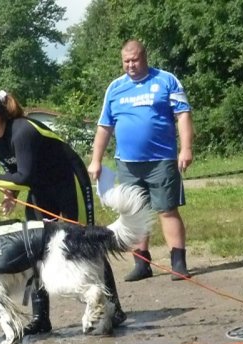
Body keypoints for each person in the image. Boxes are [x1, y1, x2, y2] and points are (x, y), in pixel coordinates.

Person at [0, 90, 126, 335]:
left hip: (69, 183)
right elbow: (15, 170)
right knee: (33, 248)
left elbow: (23, 175)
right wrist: (12, 196)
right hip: (41, 188)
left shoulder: (23, 131)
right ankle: (41, 318)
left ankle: (114, 307)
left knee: (86, 244)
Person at [88, 40, 194, 282]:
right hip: (127, 163)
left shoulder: (166, 80)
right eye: (126, 61)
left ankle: (178, 262)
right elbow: (104, 126)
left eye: (134, 60)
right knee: (134, 211)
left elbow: (183, 115)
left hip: (162, 160)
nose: (131, 65)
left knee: (167, 209)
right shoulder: (115, 88)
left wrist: (186, 149)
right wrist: (96, 160)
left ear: (145, 58)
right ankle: (142, 263)